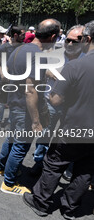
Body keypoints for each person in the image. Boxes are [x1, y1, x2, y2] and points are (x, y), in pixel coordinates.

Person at [23, 20, 94, 220]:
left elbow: (55, 100)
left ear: (87, 39)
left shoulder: (76, 67)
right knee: (85, 170)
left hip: (74, 127)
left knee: (54, 163)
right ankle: (70, 209)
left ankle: (41, 202)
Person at [0, 19, 61, 195]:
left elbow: (10, 74)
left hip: (14, 102)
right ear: (53, 36)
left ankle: (1, 168)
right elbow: (30, 91)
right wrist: (36, 121)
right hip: (25, 107)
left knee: (12, 139)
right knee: (21, 145)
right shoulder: (37, 54)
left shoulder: (20, 49)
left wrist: (48, 73)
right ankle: (8, 183)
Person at [30, 25, 85, 177]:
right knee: (45, 134)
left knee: (70, 138)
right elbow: (39, 70)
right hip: (51, 103)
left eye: (76, 41)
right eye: (68, 40)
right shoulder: (54, 54)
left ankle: (67, 167)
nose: (71, 44)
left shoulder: (85, 59)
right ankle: (39, 162)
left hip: (73, 106)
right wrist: (50, 72)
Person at [0, 26, 25, 131]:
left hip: (18, 79)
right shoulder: (5, 47)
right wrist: (2, 74)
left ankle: (9, 122)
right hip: (4, 79)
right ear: (15, 35)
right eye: (22, 34)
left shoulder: (23, 47)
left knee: (13, 102)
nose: (24, 36)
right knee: (2, 101)